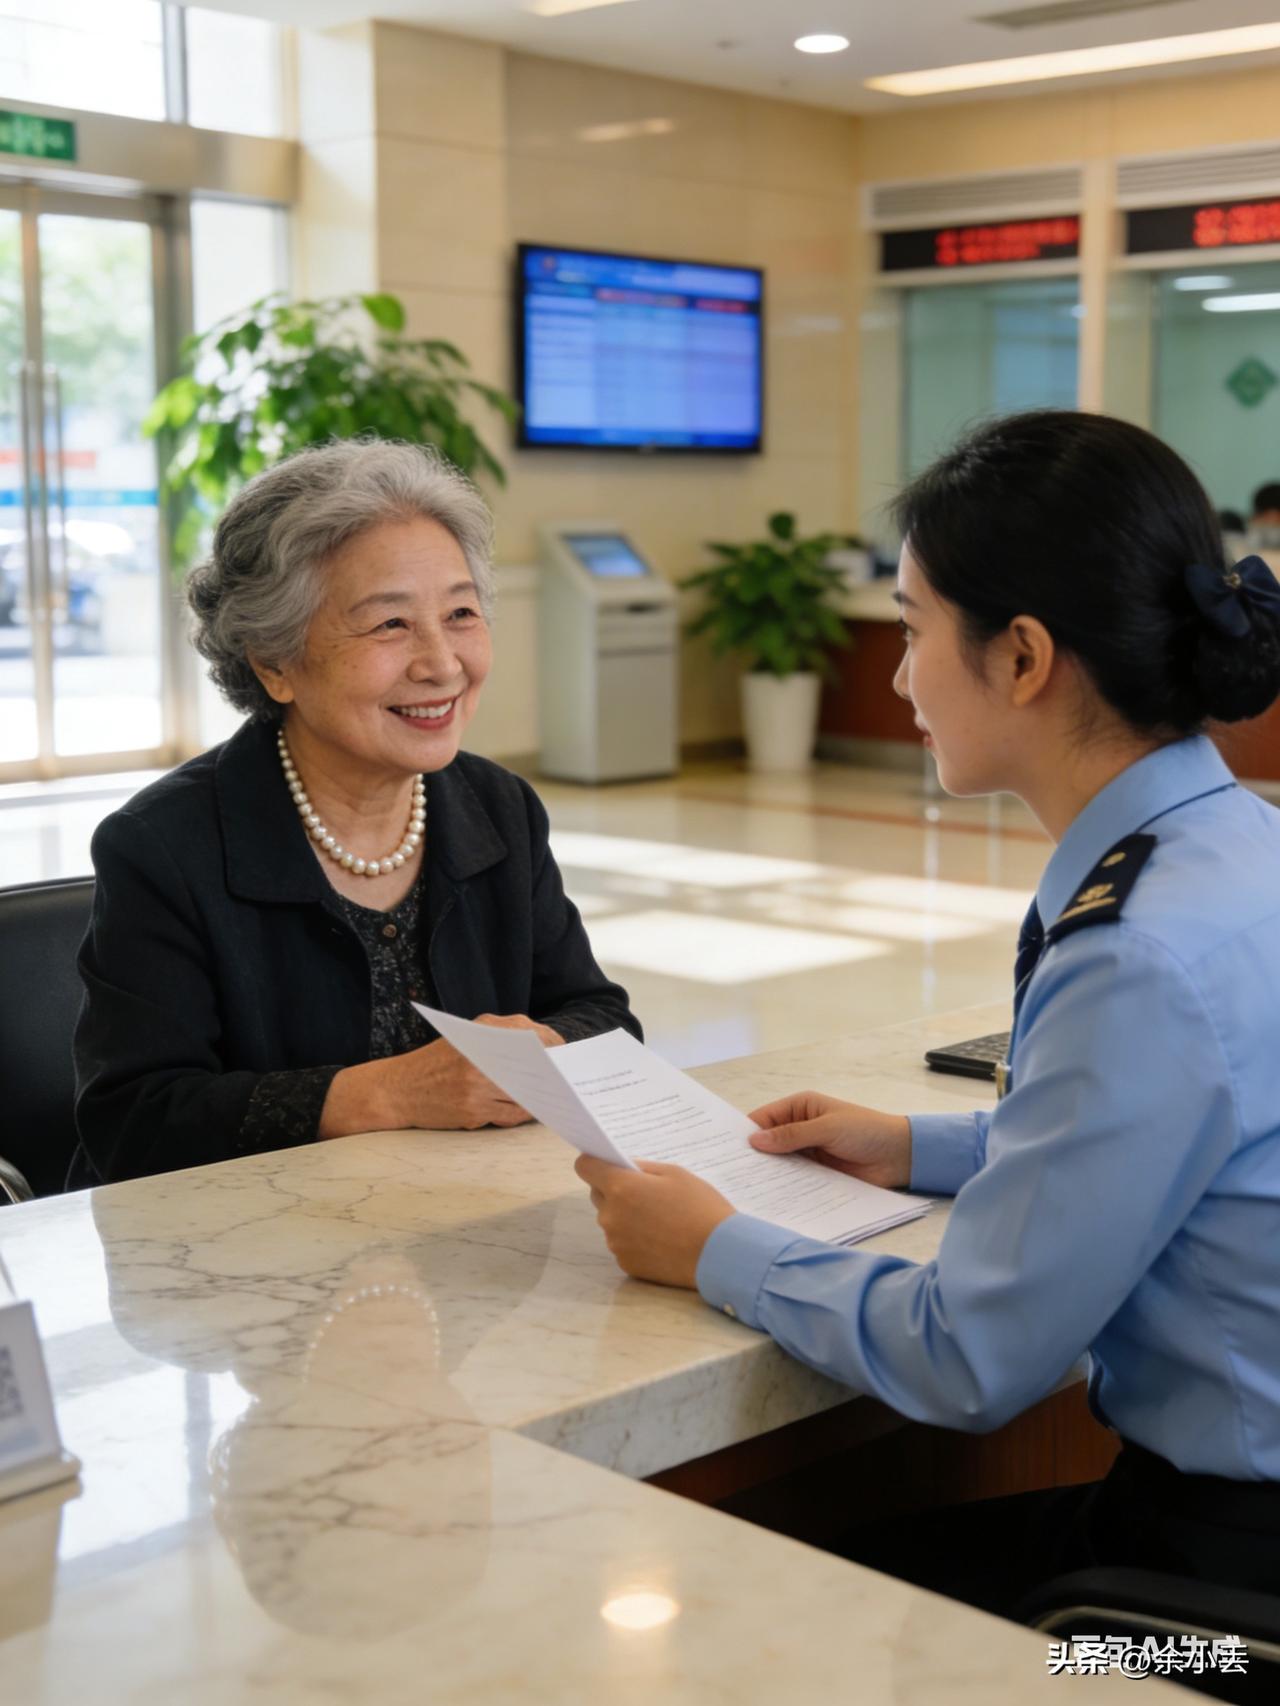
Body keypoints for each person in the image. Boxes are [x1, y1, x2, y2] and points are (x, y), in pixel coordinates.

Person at [577, 410, 1280, 1612]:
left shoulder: (1136, 951)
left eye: (910, 630)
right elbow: (1181, 1132)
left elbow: (970, 1354)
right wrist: (918, 1144)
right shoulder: (1235, 848)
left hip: (1208, 1613)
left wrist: (711, 1245)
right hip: (1222, 1533)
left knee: (798, 1618)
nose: (900, 676)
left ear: (1021, 656)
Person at [71, 440, 640, 1185]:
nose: (443, 663)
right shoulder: (162, 845)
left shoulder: (499, 807)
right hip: (255, 1237)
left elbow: (604, 1019)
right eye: (390, 624)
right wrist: (389, 1094)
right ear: (273, 661)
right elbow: (136, 1123)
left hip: (469, 1218)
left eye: (460, 613)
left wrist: (550, 1048)